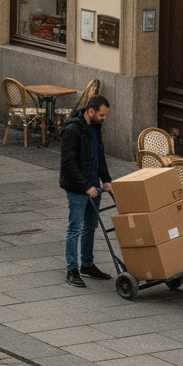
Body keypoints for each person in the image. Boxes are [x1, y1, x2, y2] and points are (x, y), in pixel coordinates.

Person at [59, 95, 113, 287]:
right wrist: (86, 186)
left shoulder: (96, 127)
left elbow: (99, 153)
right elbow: (68, 163)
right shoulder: (73, 129)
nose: (104, 118)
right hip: (78, 188)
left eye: (105, 114)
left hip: (94, 186)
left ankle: (87, 265)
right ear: (91, 111)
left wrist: (105, 179)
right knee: (75, 227)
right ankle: (72, 269)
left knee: (91, 226)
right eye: (101, 114)